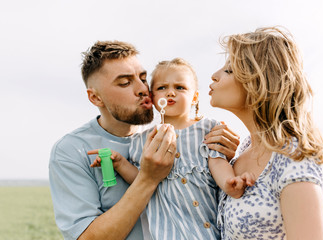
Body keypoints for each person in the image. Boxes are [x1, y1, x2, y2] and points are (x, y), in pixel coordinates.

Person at [49, 41, 239, 240]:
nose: (142, 89)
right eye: (125, 83)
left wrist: (225, 156)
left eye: (143, 78)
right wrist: (148, 177)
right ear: (95, 98)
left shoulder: (174, 134)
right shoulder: (72, 150)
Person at [90, 58, 252, 239]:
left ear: (195, 97)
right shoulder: (142, 140)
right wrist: (120, 163)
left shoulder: (208, 129)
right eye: (162, 88)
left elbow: (217, 162)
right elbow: (141, 179)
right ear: (152, 97)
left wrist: (230, 182)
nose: (170, 93)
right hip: (170, 232)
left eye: (180, 88)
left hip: (208, 230)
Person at [210, 27, 323, 239]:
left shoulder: (293, 157)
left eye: (229, 70)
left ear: (258, 82)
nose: (214, 76)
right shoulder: (243, 149)